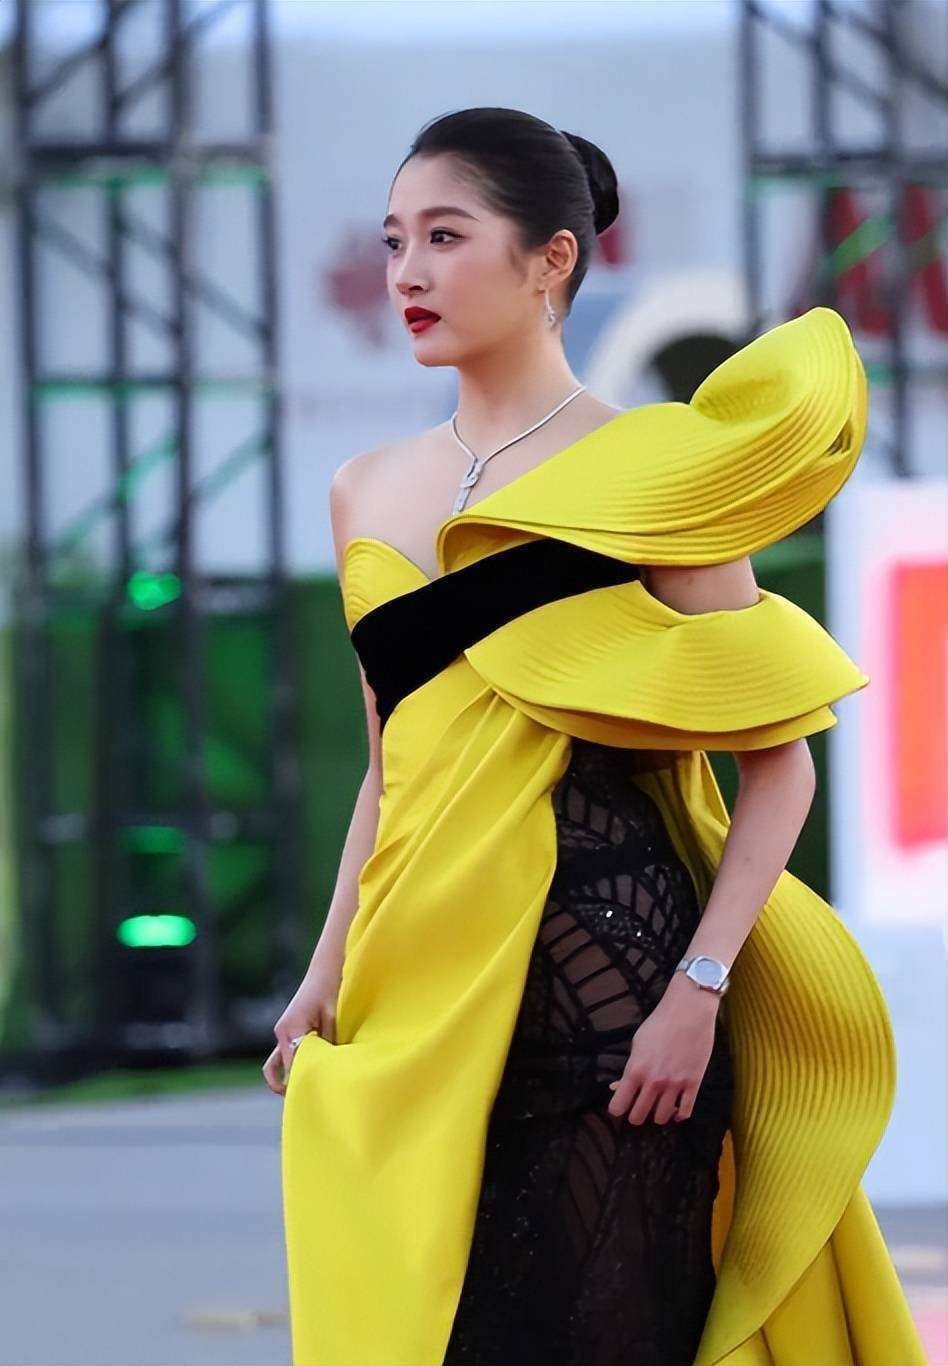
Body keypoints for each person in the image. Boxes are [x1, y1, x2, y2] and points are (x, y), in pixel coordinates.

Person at [269, 108, 926, 1366]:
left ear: (551, 258)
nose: (406, 272)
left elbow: (780, 766)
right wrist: (324, 971)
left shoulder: (658, 472)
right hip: (422, 988)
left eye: (445, 237)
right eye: (394, 240)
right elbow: (390, 768)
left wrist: (698, 990)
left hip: (612, 989)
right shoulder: (365, 485)